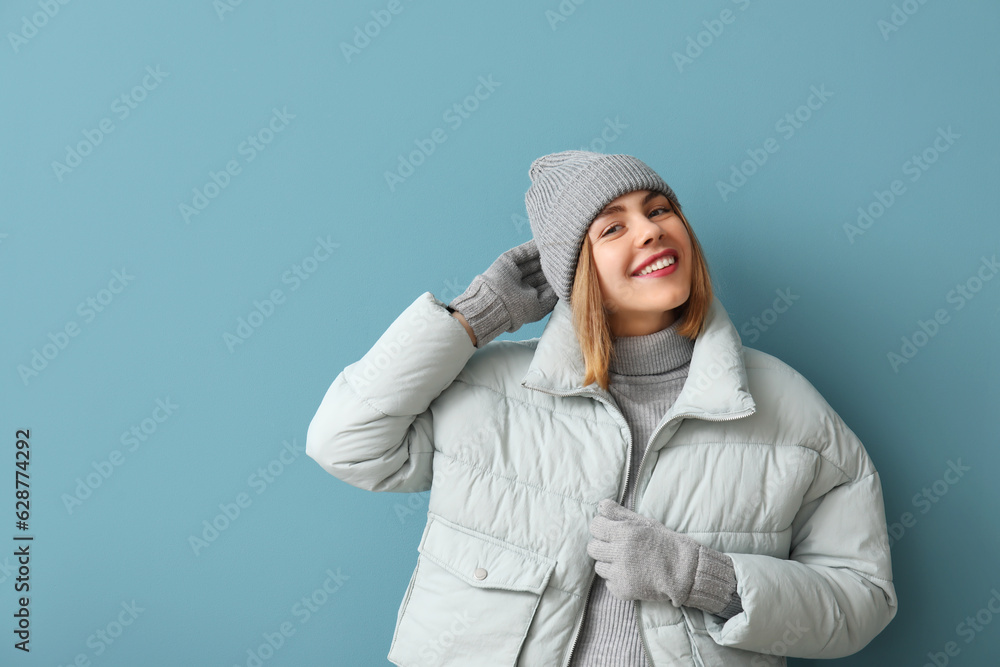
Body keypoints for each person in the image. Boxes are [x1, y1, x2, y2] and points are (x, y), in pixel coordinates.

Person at [306, 150, 898, 666]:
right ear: (577, 270)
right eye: (611, 229)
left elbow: (863, 599)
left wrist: (707, 581)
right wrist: (474, 318)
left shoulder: (787, 406)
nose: (649, 231)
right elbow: (345, 443)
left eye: (659, 209)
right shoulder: (488, 390)